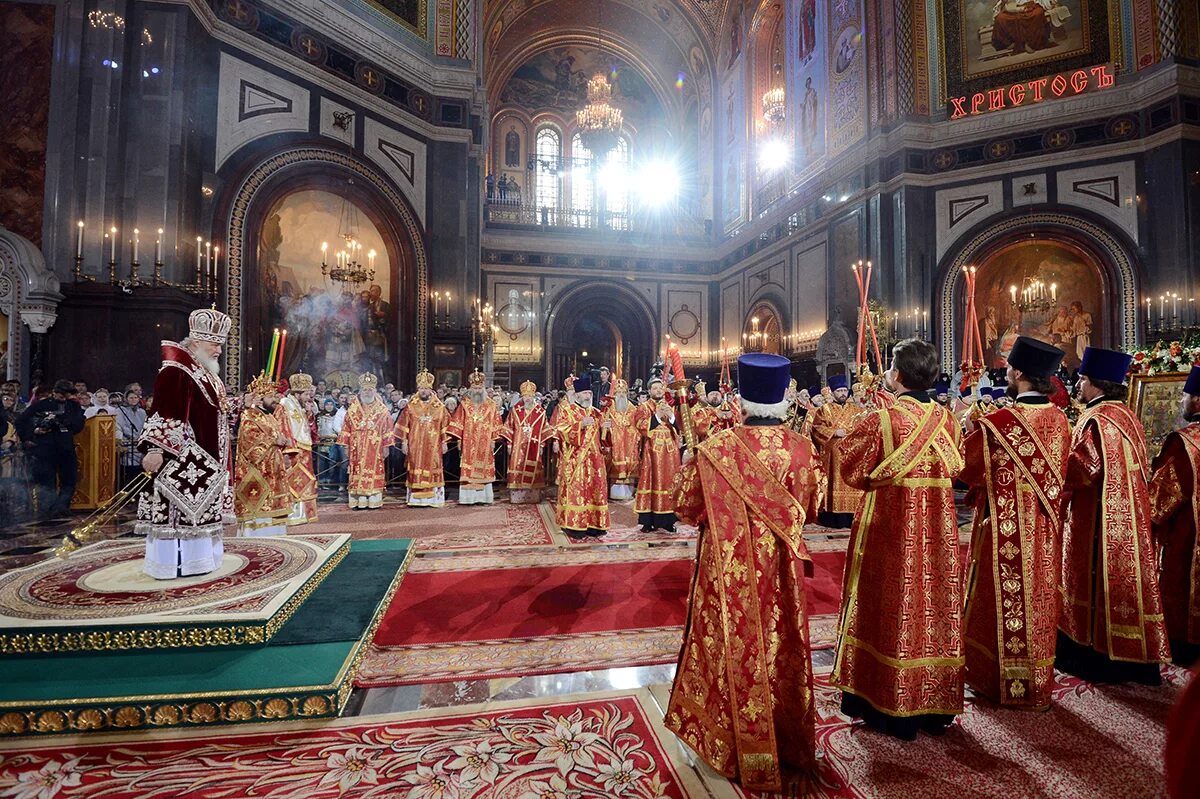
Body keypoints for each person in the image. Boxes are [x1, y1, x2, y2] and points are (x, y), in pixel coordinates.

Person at [666, 354, 820, 793]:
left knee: (729, 644)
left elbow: (686, 506)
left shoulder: (716, 450)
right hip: (781, 569)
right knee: (780, 642)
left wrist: (687, 460)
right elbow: (809, 510)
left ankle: (729, 744)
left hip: (727, 570)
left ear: (742, 397)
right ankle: (782, 735)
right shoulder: (802, 450)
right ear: (785, 396)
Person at [832, 338, 965, 739]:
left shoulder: (883, 419)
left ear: (898, 374)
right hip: (939, 534)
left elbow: (851, 472)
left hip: (891, 531)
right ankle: (934, 701)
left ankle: (887, 700)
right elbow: (957, 465)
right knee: (933, 604)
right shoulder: (948, 420)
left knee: (890, 603)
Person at [960, 337, 1071, 708]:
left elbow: (967, 468)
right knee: (1037, 598)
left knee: (999, 601)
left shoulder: (997, 423)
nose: (1006, 372)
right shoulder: (1060, 420)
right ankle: (1035, 682)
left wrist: (966, 429)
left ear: (1020, 372)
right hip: (1042, 527)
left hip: (1001, 528)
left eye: (1009, 367)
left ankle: (996, 680)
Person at [1057, 346, 1171, 683]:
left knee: (1094, 579)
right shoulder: (1127, 416)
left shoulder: (1095, 419)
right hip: (1130, 518)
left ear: (1095, 383)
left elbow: (1083, 469)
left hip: (1096, 519)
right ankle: (1134, 657)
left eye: (1082, 379)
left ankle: (1092, 655)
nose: (1078, 384)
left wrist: (1056, 462)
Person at [135, 309, 233, 579]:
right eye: (214, 343)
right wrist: (156, 448)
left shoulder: (205, 373)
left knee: (200, 512)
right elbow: (167, 411)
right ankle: (173, 564)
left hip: (205, 459)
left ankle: (199, 561)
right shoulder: (177, 371)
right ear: (197, 341)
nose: (218, 350)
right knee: (179, 513)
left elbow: (212, 411)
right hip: (182, 460)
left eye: (221, 344)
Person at [1150, 365, 1200, 666]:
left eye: (1185, 395)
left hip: (1188, 539)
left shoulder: (1185, 443)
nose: (1182, 401)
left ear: (1197, 401)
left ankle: (1186, 645)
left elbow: (1159, 502)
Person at [16, 379, 86, 518]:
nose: (63, 397)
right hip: (45, 449)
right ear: (54, 392)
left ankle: (62, 507)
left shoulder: (73, 406)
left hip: (66, 447)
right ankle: (48, 509)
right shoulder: (41, 405)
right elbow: (21, 422)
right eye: (61, 394)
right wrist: (34, 431)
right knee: (47, 480)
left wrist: (67, 422)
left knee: (70, 479)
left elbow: (79, 424)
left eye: (66, 395)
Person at [233, 374, 290, 536]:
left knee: (274, 509)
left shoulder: (269, 416)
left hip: (272, 472)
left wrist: (282, 442)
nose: (275, 400)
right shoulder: (249, 416)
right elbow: (249, 444)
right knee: (259, 512)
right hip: (257, 474)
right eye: (270, 396)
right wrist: (275, 440)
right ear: (259, 397)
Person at [555, 375, 608, 538]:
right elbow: (561, 430)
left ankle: (595, 525)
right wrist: (580, 425)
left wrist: (606, 428)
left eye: (590, 393)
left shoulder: (596, 412)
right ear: (577, 395)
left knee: (595, 491)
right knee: (578, 491)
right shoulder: (568, 411)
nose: (588, 396)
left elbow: (604, 439)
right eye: (585, 393)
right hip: (576, 460)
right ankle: (574, 525)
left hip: (595, 460)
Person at [810, 374, 863, 527]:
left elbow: (863, 428)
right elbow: (817, 429)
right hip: (832, 457)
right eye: (839, 391)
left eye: (844, 390)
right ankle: (833, 519)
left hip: (852, 454)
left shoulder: (856, 410)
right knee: (833, 483)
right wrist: (834, 432)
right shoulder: (824, 410)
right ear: (833, 393)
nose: (842, 393)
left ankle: (852, 517)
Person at [337, 373, 395, 510]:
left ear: (375, 391)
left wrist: (387, 446)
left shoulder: (382, 410)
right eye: (365, 390)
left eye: (370, 390)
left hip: (375, 448)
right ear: (360, 391)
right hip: (356, 447)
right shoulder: (352, 409)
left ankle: (373, 499)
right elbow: (346, 428)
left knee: (373, 471)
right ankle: (358, 500)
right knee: (357, 471)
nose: (367, 392)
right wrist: (346, 446)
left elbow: (388, 428)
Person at [447, 370, 504, 505]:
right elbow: (458, 422)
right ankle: (469, 498)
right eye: (475, 388)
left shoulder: (490, 404)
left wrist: (493, 439)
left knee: (484, 469)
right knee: (469, 468)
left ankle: (483, 497)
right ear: (471, 388)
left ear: (483, 388)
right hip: (469, 443)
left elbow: (496, 423)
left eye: (479, 388)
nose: (477, 390)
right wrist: (459, 439)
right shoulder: (465, 404)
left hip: (485, 444)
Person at [394, 370, 449, 507]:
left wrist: (445, 442)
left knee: (433, 468)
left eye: (426, 388)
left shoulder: (439, 407)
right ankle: (415, 499)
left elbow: (445, 426)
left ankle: (434, 499)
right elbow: (404, 425)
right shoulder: (411, 406)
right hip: (415, 445)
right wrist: (404, 443)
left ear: (431, 389)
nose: (424, 391)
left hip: (434, 445)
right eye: (421, 388)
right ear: (418, 389)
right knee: (415, 467)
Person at [633, 377, 681, 532]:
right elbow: (640, 425)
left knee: (669, 482)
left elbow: (679, 427)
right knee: (651, 481)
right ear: (649, 391)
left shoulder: (669, 406)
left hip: (670, 452)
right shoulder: (644, 407)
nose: (658, 390)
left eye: (661, 388)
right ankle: (648, 521)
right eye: (655, 388)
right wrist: (657, 417)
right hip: (652, 451)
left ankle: (668, 521)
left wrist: (672, 417)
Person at [277, 372, 318, 525]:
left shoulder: (300, 406)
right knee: (293, 482)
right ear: (298, 392)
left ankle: (304, 514)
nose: (309, 397)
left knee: (305, 482)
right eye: (307, 394)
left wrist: (308, 414)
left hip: (304, 451)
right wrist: (287, 450)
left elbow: (307, 429)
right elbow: (283, 427)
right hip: (293, 451)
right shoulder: (285, 404)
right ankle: (293, 515)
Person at [503, 380, 551, 504]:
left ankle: (533, 496)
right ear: (522, 396)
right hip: (518, 445)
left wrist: (542, 444)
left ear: (533, 396)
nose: (528, 398)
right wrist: (509, 444)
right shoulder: (515, 410)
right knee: (517, 465)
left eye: (530, 396)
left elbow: (545, 429)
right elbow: (508, 427)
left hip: (534, 445)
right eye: (525, 396)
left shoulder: (540, 412)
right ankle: (517, 496)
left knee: (533, 467)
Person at [601, 378, 640, 499]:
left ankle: (629, 491)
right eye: (619, 392)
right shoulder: (608, 408)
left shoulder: (633, 408)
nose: (621, 394)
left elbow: (637, 424)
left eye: (624, 392)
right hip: (615, 443)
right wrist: (606, 428)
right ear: (615, 394)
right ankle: (613, 492)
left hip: (629, 442)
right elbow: (602, 424)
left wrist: (632, 433)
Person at [315, 397, 347, 489]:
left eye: (331, 404)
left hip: (333, 442)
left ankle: (331, 481)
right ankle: (322, 482)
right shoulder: (319, 415)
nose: (329, 406)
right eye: (327, 404)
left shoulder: (336, 415)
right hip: (321, 442)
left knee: (332, 462)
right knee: (321, 463)